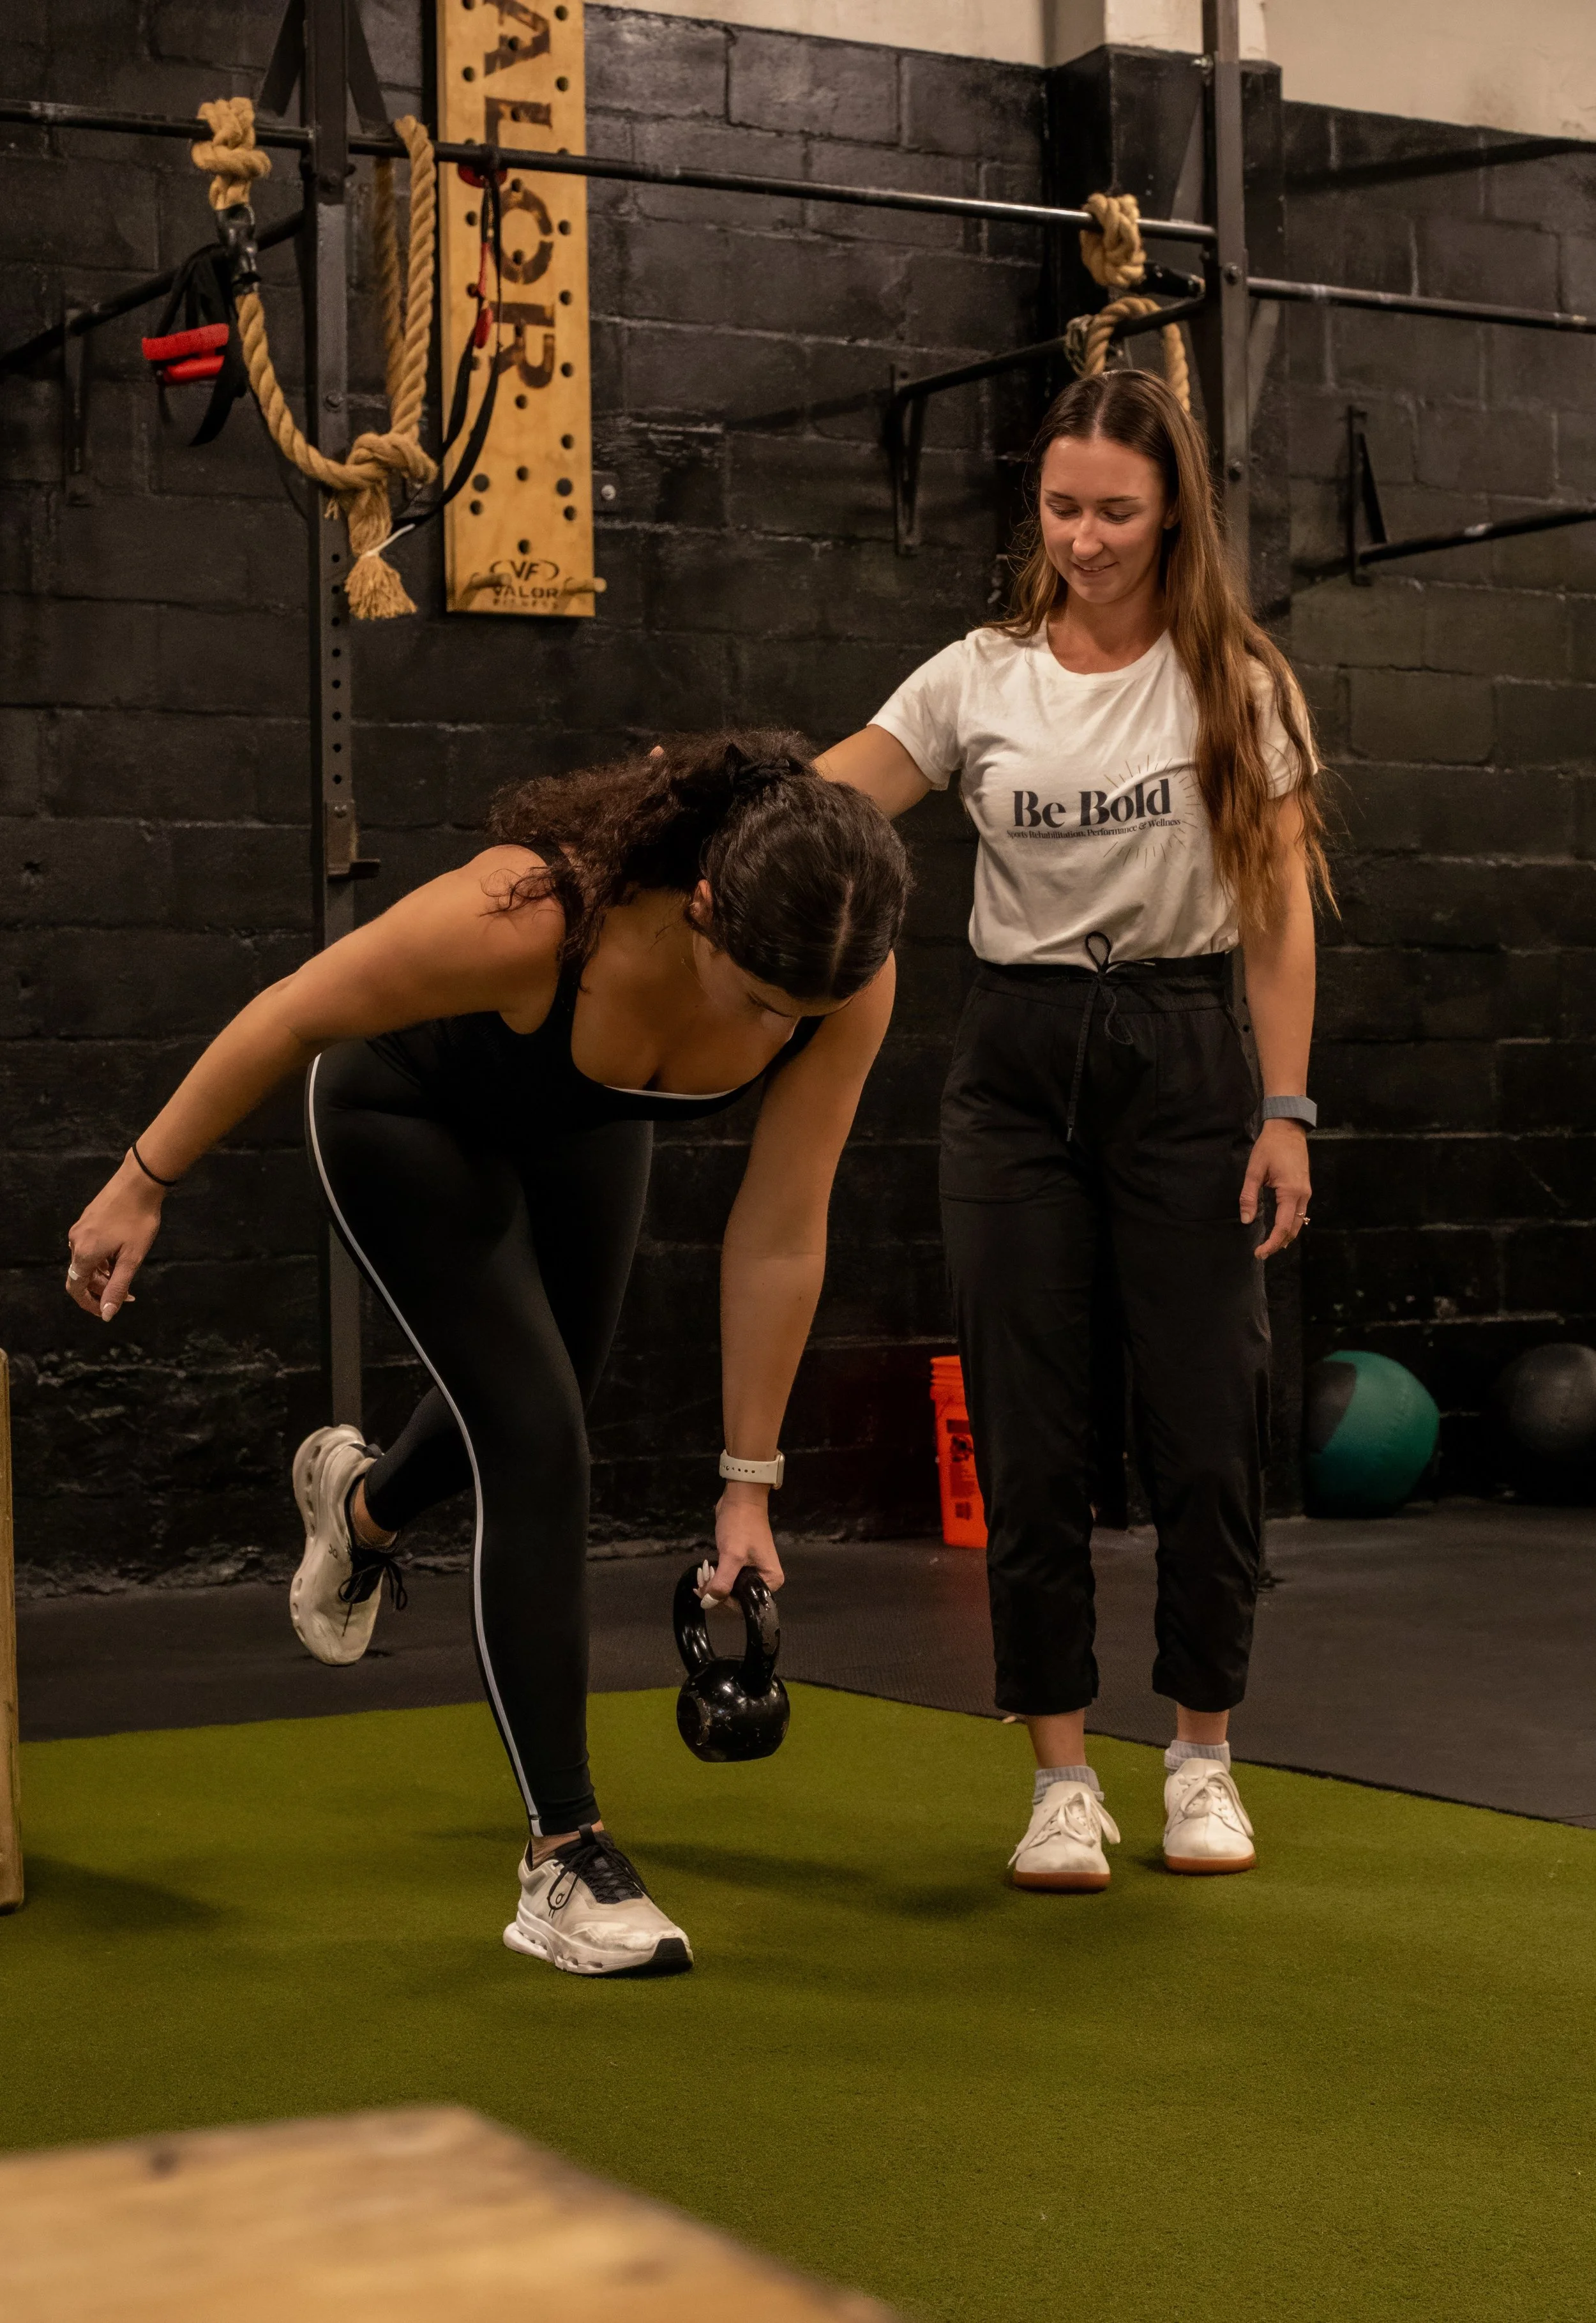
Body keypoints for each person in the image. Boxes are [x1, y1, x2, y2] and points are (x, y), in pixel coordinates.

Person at [64, 734, 907, 1976]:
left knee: (545, 1397)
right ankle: (563, 1854)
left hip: (584, 1122)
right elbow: (294, 1010)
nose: (784, 1026)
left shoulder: (843, 977)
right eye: (760, 995)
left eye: (808, 1011)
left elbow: (780, 1231)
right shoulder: (529, 920)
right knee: (538, 1441)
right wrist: (143, 1180)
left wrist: (748, 1484)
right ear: (705, 906)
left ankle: (359, 1508)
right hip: (403, 1117)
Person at [820, 368, 1329, 1894]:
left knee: (1204, 1424)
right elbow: (837, 798)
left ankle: (1199, 1757)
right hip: (1015, 1063)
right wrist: (700, 815)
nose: (1087, 536)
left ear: (1169, 504)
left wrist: (1285, 1111)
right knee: (1027, 1430)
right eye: (1061, 507)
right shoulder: (974, 676)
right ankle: (1056, 1779)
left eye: (1115, 508)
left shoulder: (1231, 681)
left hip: (1182, 1060)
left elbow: (1279, 917)